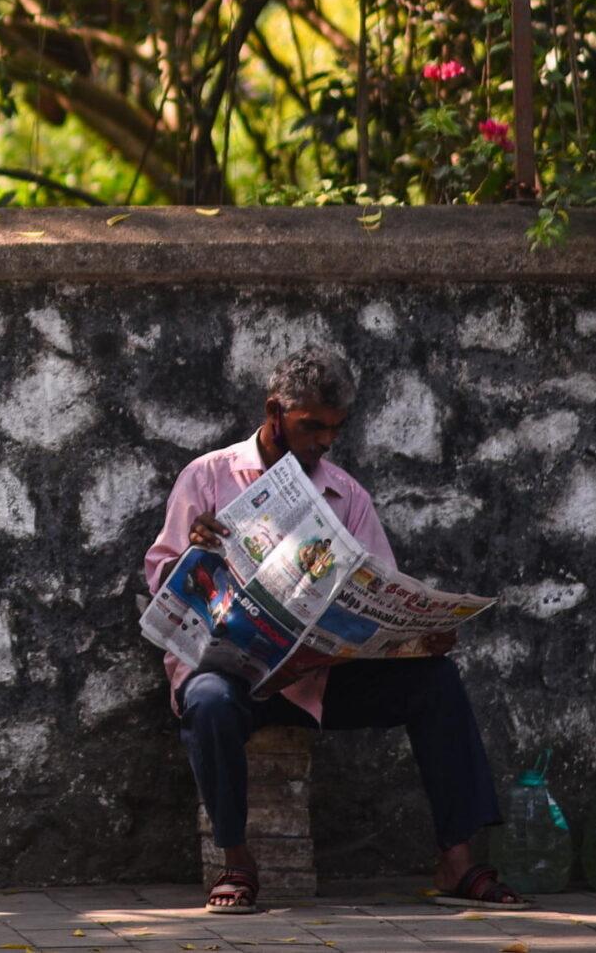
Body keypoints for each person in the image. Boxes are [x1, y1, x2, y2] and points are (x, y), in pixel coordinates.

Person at [142, 348, 526, 915]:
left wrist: (419, 635)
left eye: (333, 430)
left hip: (316, 680)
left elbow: (380, 594)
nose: (323, 441)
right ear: (276, 411)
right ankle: (239, 861)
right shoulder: (208, 477)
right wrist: (194, 556)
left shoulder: (347, 496)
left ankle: (458, 859)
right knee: (206, 701)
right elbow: (162, 584)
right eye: (311, 426)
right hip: (233, 675)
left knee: (436, 681)